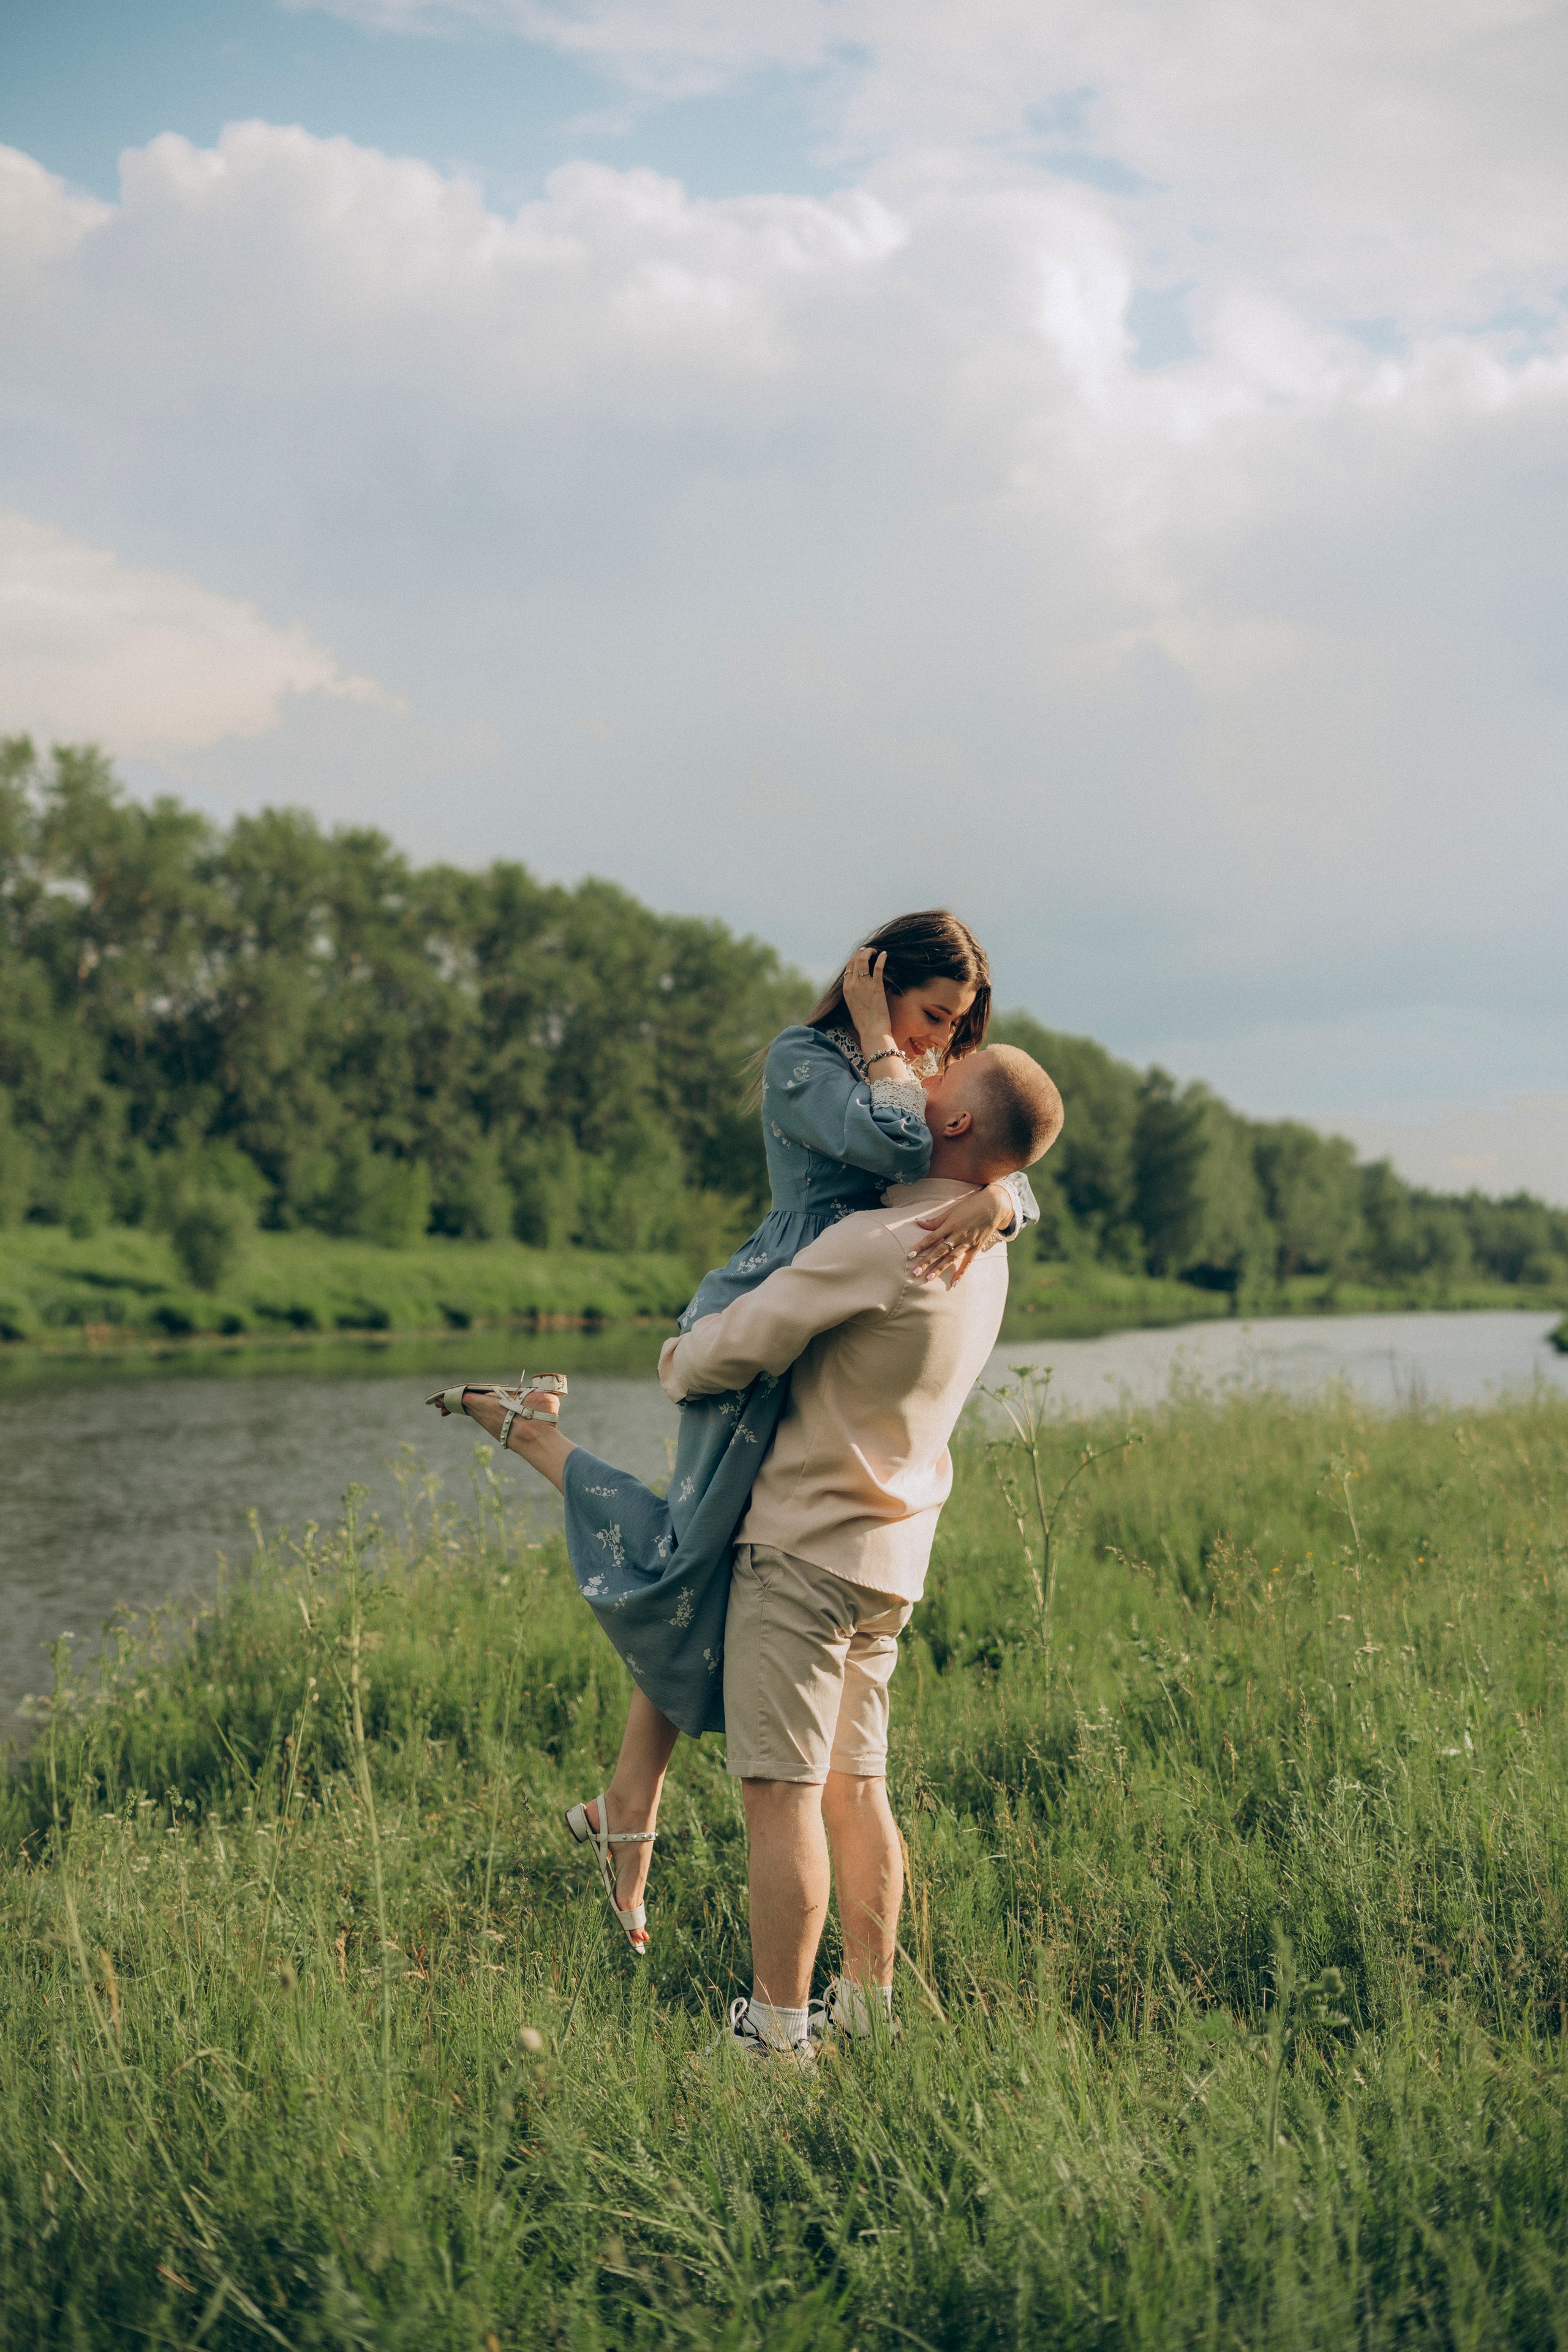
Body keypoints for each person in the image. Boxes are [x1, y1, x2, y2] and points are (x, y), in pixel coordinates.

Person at [433, 910, 1037, 1950]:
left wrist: (1009, 1200)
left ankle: (627, 1804)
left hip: (833, 1329)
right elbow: (905, 1141)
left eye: (956, 1026)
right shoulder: (809, 1061)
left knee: (705, 1559)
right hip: (764, 1319)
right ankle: (536, 1441)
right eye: (933, 1014)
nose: (940, 1043)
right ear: (877, 980)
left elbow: (991, 1142)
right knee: (690, 1550)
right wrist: (881, 1042)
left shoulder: (915, 1081)